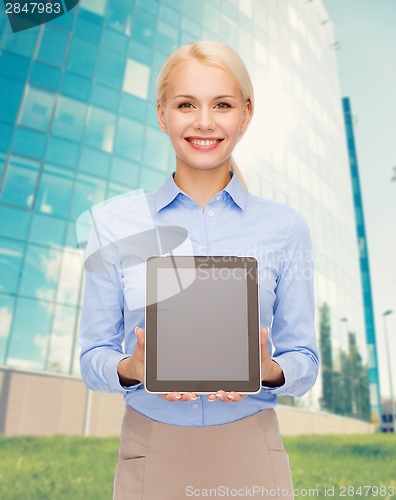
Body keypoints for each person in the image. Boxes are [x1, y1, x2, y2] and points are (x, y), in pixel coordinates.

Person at [79, 41, 319, 500]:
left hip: (252, 448)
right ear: (162, 114)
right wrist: (132, 367)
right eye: (186, 104)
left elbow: (305, 360)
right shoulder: (113, 224)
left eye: (222, 105)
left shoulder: (286, 228)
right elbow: (93, 358)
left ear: (245, 114)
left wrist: (268, 371)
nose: (204, 122)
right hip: (151, 449)